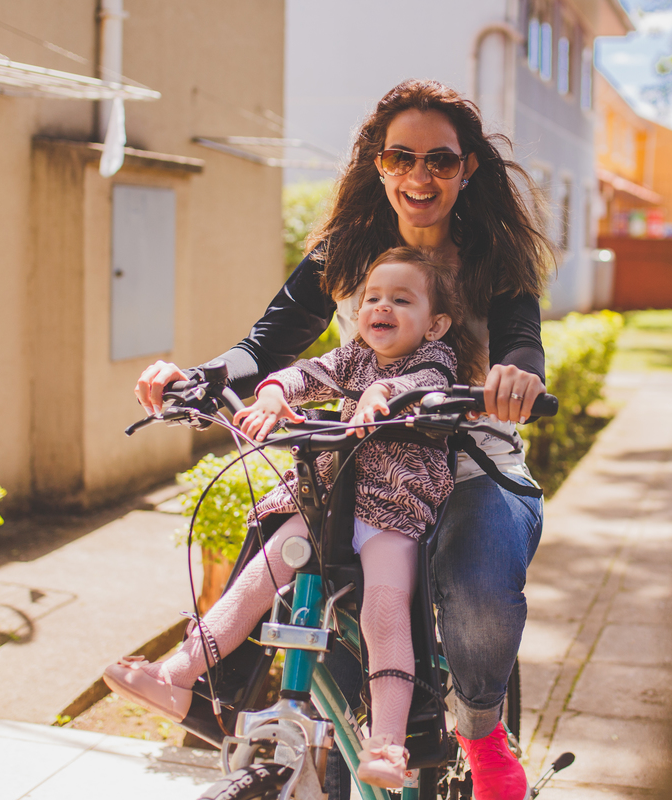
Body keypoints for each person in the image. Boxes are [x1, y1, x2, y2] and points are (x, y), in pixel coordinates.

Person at [132, 79, 553, 800]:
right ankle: (213, 695)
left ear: (468, 168)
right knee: (283, 547)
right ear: (378, 164)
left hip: (470, 467)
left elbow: (521, 343)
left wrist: (516, 376)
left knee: (480, 592)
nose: (420, 175)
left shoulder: (495, 259)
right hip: (366, 461)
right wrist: (200, 377)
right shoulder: (346, 252)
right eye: (401, 157)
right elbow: (269, 344)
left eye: (441, 160)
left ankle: (483, 736)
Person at [107, 247, 486, 788]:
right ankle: (178, 674)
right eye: (372, 298)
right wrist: (271, 393)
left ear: (435, 324)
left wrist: (382, 393)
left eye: (402, 300)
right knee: (256, 580)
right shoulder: (354, 356)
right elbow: (310, 371)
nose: (382, 307)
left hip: (393, 510)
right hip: (329, 499)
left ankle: (387, 743)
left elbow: (425, 384)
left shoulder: (434, 359)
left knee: (384, 612)